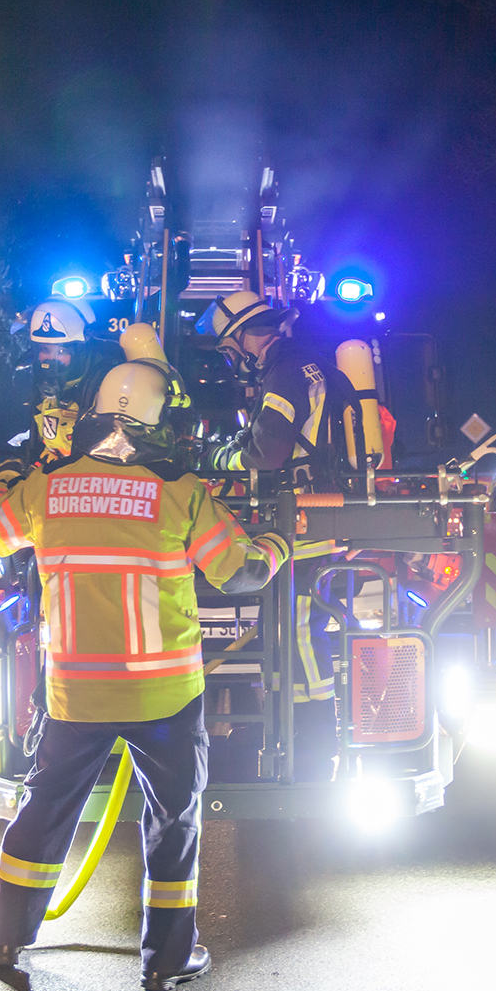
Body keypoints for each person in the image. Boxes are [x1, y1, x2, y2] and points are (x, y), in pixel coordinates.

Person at [0, 360, 291, 991]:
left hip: (75, 693)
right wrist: (280, 543)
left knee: (45, 809)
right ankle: (166, 959)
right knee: (173, 820)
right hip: (164, 694)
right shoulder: (180, 490)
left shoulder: (48, 485)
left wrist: (6, 475)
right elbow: (240, 572)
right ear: (159, 420)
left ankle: (7, 936)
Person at [203, 291, 355, 779]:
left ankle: (313, 745)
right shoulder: (314, 365)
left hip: (305, 519)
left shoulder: (285, 373)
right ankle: (296, 739)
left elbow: (266, 453)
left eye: (230, 349)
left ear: (245, 338)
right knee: (294, 631)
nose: (233, 359)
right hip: (323, 515)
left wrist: (218, 457)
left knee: (300, 632)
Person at [24, 297, 123, 467]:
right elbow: (53, 450)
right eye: (45, 350)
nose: (51, 359)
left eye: (61, 351)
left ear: (81, 354)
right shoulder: (47, 394)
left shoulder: (107, 391)